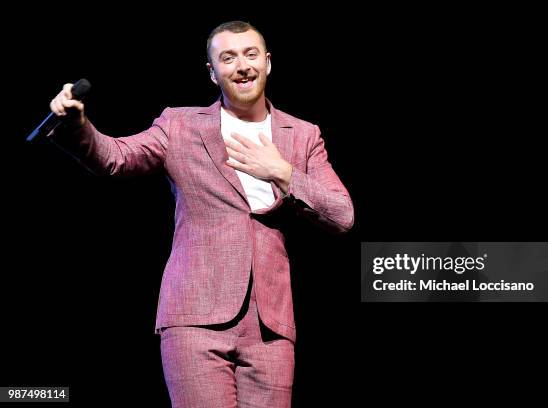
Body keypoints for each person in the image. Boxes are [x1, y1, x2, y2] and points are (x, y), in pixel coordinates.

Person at [48, 20, 354, 407]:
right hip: (195, 316)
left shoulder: (302, 134)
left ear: (268, 63)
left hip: (270, 328)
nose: (242, 65)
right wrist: (78, 125)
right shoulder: (180, 125)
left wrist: (282, 171)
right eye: (228, 58)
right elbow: (116, 158)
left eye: (250, 54)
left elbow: (342, 214)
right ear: (213, 72)